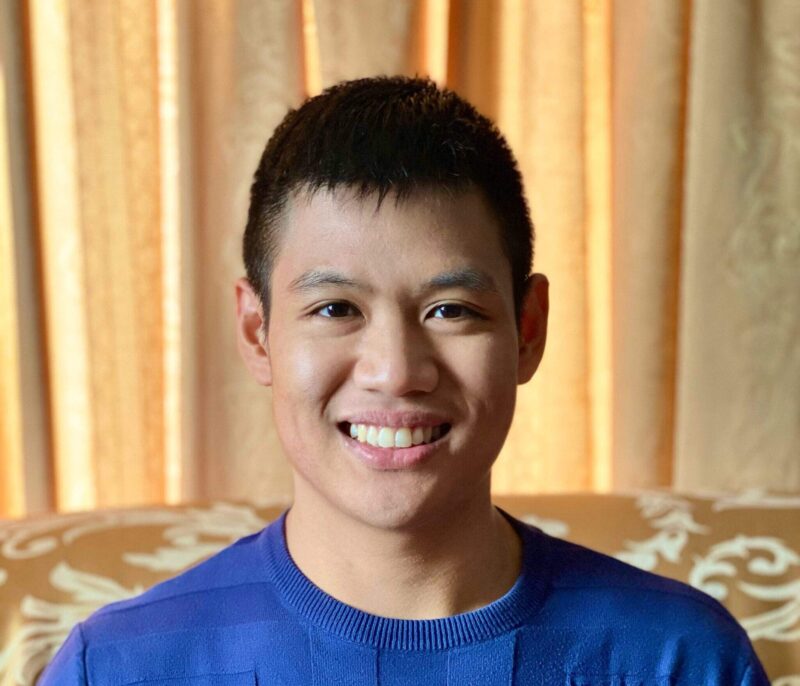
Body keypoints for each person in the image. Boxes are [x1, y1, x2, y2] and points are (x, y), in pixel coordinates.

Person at [40, 76, 769, 685]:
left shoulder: (680, 659)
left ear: (528, 328)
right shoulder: (119, 667)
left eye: (450, 309)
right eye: (336, 309)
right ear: (257, 331)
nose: (396, 371)